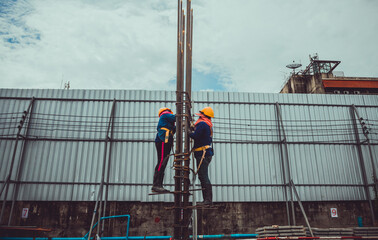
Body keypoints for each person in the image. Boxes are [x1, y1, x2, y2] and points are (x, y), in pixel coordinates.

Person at [189, 107, 214, 205]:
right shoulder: (207, 124)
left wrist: (188, 132)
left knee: (203, 176)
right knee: (203, 176)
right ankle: (207, 200)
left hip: (202, 154)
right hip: (205, 153)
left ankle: (208, 200)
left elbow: (196, 136)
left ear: (204, 115)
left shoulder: (202, 124)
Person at [152, 107, 176, 193]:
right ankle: (156, 185)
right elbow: (177, 117)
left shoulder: (167, 121)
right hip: (163, 139)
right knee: (161, 161)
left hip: (166, 140)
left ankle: (159, 185)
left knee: (163, 162)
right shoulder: (165, 115)